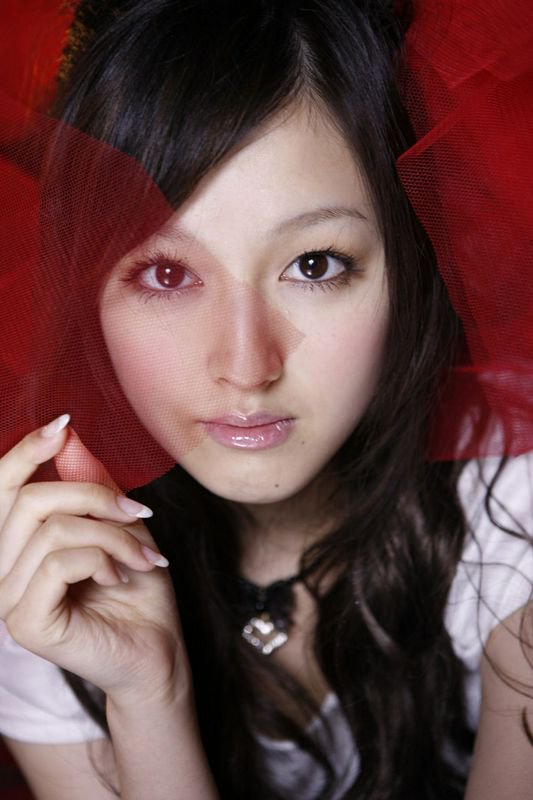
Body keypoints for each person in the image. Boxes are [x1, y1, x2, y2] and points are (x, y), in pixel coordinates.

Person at [0, 1, 532, 798]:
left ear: (411, 258)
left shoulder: (511, 510)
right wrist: (149, 697)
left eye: (314, 265)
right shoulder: (49, 569)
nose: (246, 367)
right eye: (167, 273)